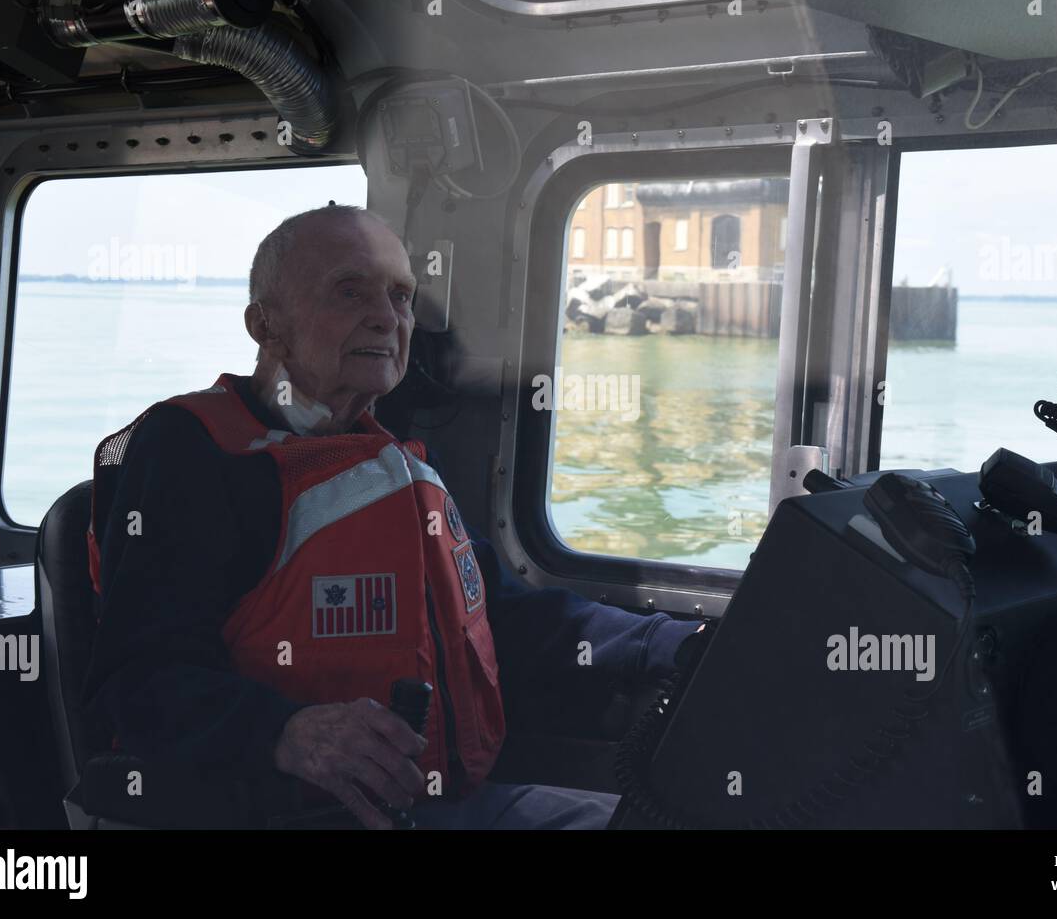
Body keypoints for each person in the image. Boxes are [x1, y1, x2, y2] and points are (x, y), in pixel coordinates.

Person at [81, 204, 704, 829]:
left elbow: (503, 613)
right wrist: (288, 732)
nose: (387, 317)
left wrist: (669, 643)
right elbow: (138, 679)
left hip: (428, 807)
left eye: (401, 297)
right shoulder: (193, 450)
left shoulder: (389, 462)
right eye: (349, 291)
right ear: (264, 325)